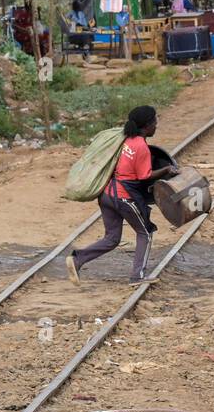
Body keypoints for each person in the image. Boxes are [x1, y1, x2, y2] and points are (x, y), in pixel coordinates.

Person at [66, 106, 177, 286]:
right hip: (124, 197)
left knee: (112, 238)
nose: (157, 125)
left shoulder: (124, 140)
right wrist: (166, 169)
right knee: (145, 232)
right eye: (155, 122)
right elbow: (144, 176)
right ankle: (137, 276)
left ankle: (77, 259)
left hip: (106, 194)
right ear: (147, 125)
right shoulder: (141, 146)